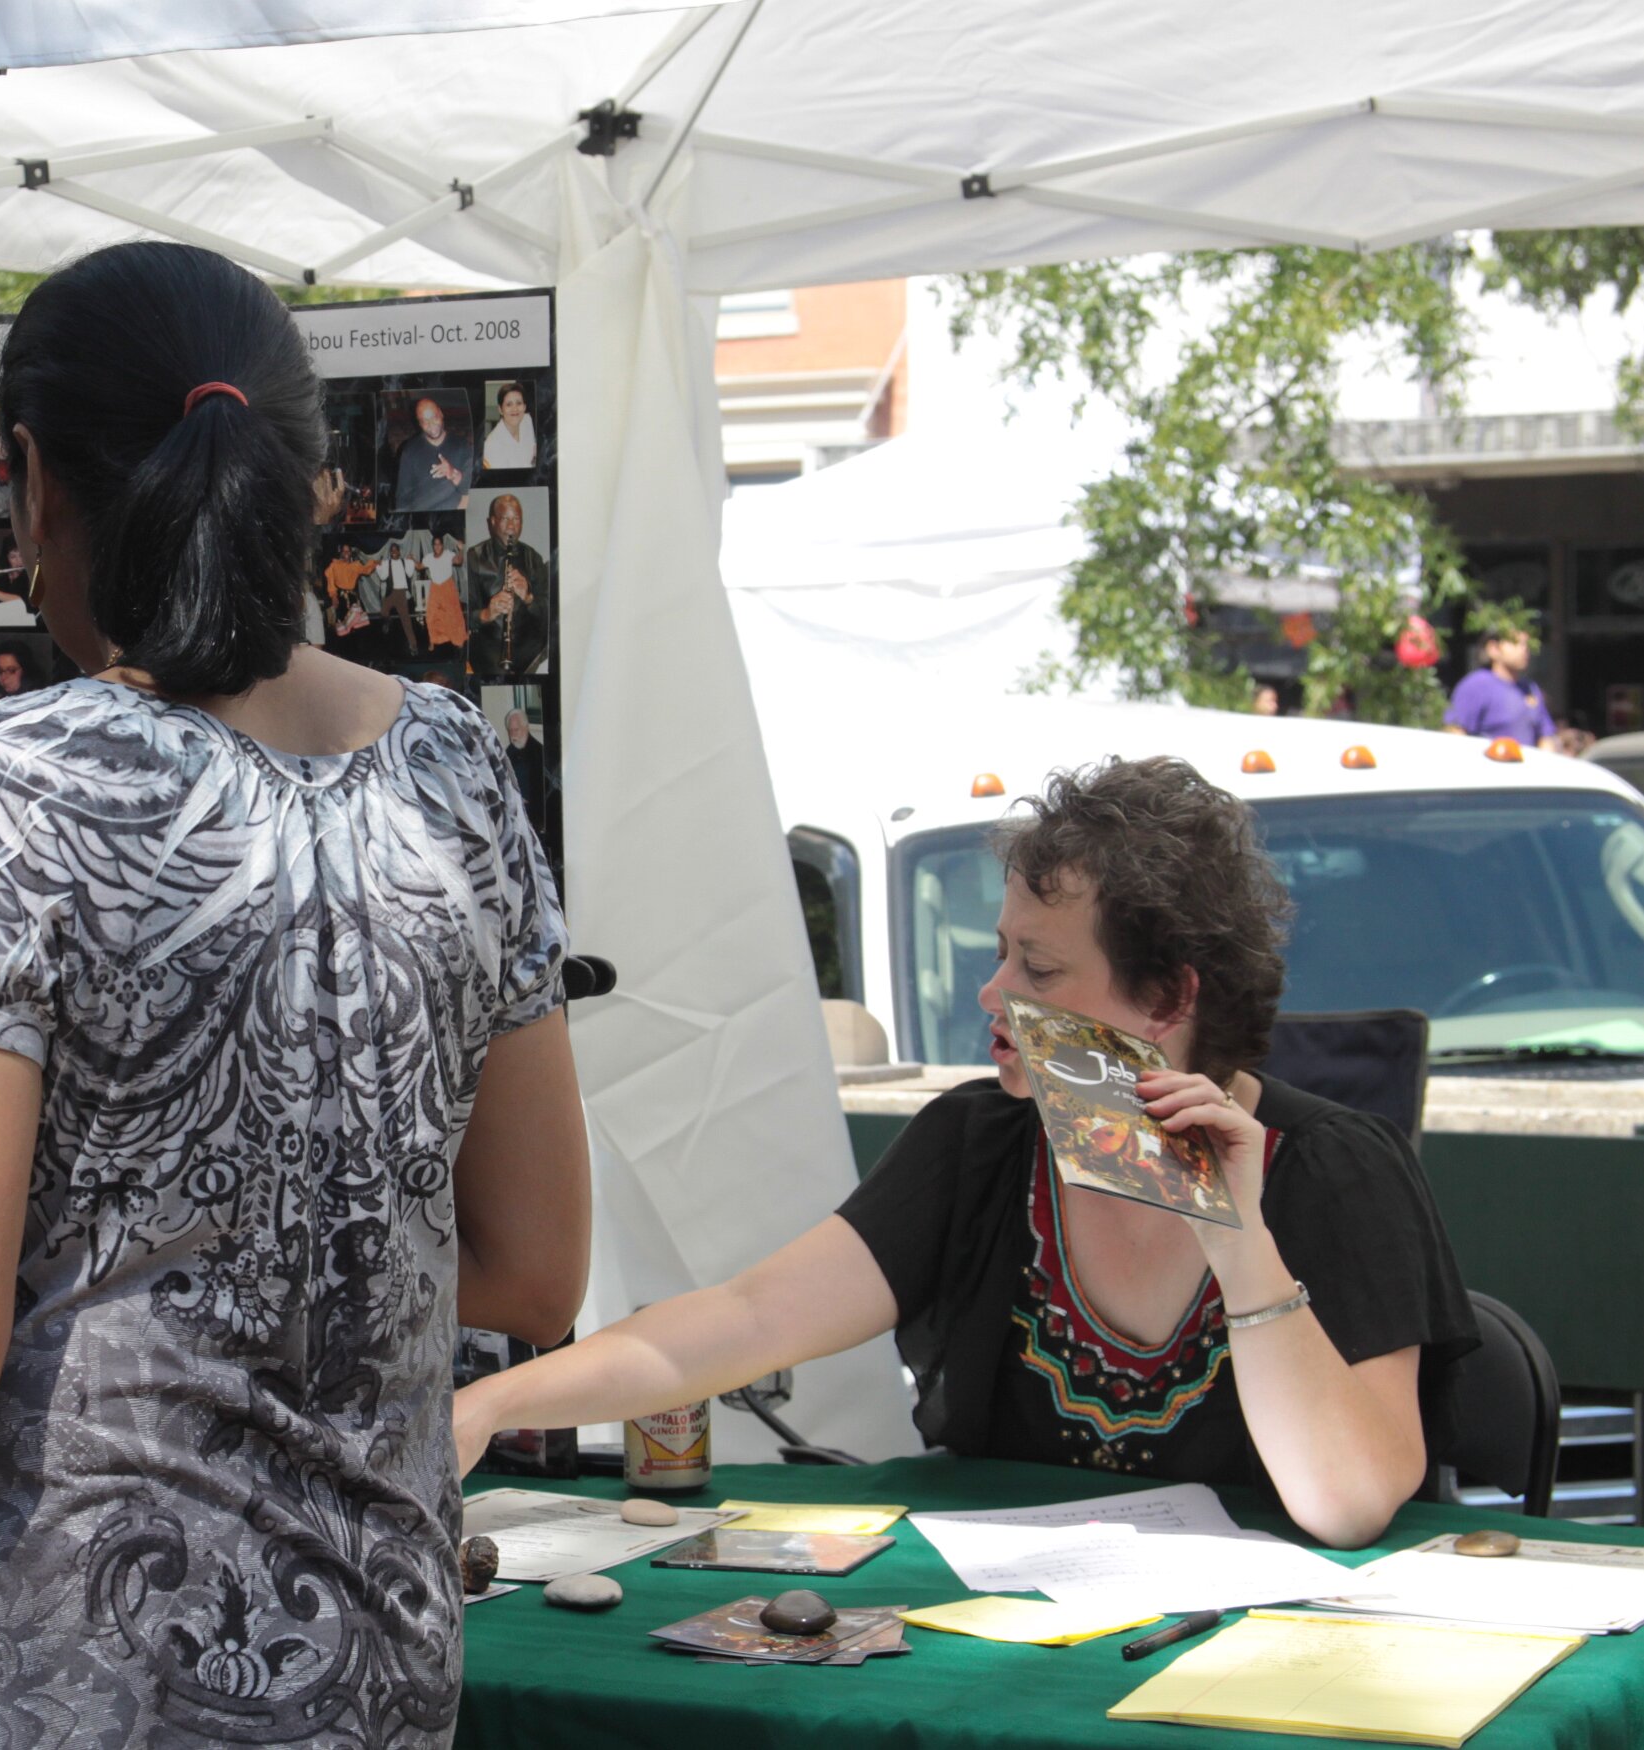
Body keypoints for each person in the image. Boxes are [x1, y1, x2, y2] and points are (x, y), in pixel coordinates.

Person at [0, 239, 591, 1748]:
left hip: (100, 1677)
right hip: (384, 1670)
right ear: (303, 475)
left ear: (35, 479)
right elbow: (535, 1267)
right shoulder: (453, 762)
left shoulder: (7, 780)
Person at [458, 757, 1480, 1549]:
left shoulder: (1337, 1170)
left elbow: (1347, 1504)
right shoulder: (980, 1143)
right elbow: (748, 1318)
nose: (993, 994)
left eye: (1038, 966)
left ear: (1168, 997)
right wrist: (486, 1405)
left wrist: (1235, 1235)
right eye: (999, 952)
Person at [465, 494, 549, 677]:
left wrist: (528, 598)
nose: (511, 526)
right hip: (488, 645)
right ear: (493, 521)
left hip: (528, 646)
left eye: (516, 519)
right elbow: (461, 614)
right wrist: (486, 613)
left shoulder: (533, 558)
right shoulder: (474, 557)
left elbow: (549, 613)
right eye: (505, 519)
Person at [1444, 621, 1560, 751]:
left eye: (1526, 644)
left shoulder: (1530, 688)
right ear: (1493, 649)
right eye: (1516, 643)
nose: (1524, 649)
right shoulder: (1476, 685)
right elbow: (1455, 732)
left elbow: (1545, 735)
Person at [390, 392, 473, 513]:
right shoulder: (409, 452)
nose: (431, 425)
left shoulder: (461, 446)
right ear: (419, 423)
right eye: (425, 421)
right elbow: (402, 500)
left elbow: (471, 490)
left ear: (441, 414)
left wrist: (453, 473)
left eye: (434, 417)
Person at [502, 708, 548, 836]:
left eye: (516, 730)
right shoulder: (507, 753)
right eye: (510, 730)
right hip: (513, 815)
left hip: (533, 819)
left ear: (526, 728)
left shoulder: (540, 754)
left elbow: (544, 795)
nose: (513, 734)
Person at [424, 533, 467, 651]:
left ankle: (459, 639)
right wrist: (413, 560)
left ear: (442, 545)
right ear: (433, 546)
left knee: (454, 613)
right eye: (435, 544)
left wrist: (461, 550)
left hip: (448, 587)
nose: (437, 546)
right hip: (435, 588)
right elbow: (419, 566)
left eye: (439, 544)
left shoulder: (448, 554)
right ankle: (433, 640)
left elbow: (458, 561)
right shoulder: (429, 557)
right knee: (431, 615)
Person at [481, 382, 537, 471]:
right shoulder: (491, 446)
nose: (515, 409)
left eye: (519, 403)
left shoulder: (527, 421)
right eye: (509, 404)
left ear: (524, 407)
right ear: (500, 409)